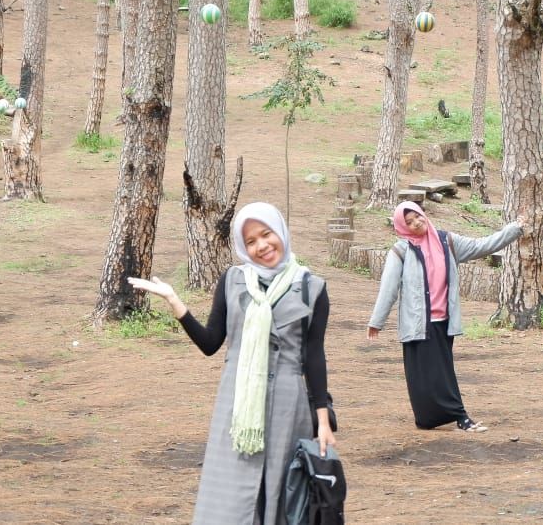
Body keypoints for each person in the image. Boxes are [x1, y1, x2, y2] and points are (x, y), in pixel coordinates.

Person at [129, 202, 334, 525]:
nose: (261, 246)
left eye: (266, 234)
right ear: (242, 247)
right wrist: (174, 300)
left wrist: (322, 421)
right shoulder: (233, 281)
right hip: (237, 404)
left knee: (281, 491)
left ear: (280, 232)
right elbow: (211, 343)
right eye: (251, 241)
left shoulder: (311, 287)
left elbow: (313, 356)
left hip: (287, 405)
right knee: (230, 497)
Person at [367, 201, 521, 432]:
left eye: (418, 216)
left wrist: (514, 229)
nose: (416, 223)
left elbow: (483, 245)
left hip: (444, 321)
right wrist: (376, 321)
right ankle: (428, 419)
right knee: (420, 377)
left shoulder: (446, 241)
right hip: (417, 323)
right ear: (403, 227)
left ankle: (460, 417)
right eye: (409, 222)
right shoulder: (401, 251)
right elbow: (388, 289)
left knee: (442, 372)